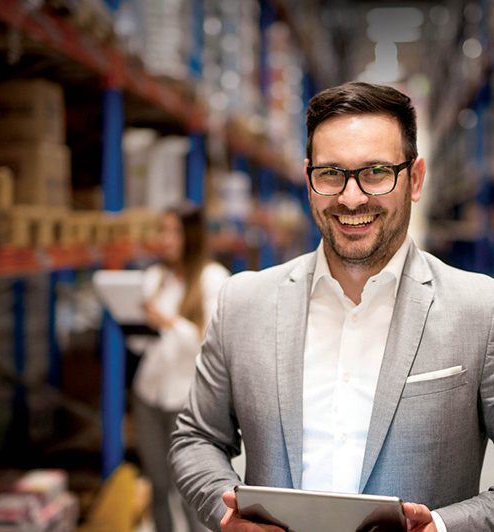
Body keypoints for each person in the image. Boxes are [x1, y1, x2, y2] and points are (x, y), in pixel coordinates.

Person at [169, 82, 494, 531]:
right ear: (308, 179)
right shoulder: (243, 303)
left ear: (415, 179)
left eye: (376, 172)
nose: (352, 197)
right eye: (331, 174)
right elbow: (196, 437)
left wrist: (441, 527)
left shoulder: (480, 310)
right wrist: (224, 512)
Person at [131, 202, 229, 532]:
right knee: (158, 483)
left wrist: (169, 322)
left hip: (187, 400)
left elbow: (212, 344)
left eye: (174, 231)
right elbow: (140, 345)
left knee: (189, 490)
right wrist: (135, 324)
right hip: (149, 393)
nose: (166, 239)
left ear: (192, 234)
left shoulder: (212, 279)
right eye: (163, 230)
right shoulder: (155, 278)